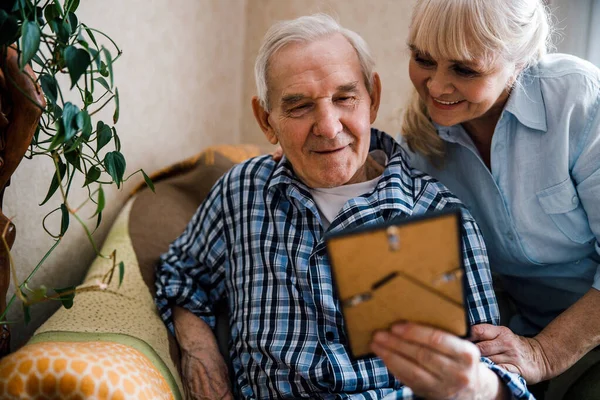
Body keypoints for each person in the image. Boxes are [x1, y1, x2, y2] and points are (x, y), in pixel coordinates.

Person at [155, 14, 533, 400]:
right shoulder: (243, 191)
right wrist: (201, 354)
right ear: (266, 121)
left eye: (344, 98)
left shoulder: (439, 212)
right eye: (299, 106)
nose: (329, 127)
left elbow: (491, 369)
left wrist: (479, 387)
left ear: (373, 99)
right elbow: (181, 278)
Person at [399, 0, 600, 398]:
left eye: (464, 68)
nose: (436, 86)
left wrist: (544, 353)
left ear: (520, 60)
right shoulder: (421, 143)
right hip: (514, 331)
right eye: (424, 59)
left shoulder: (578, 100)